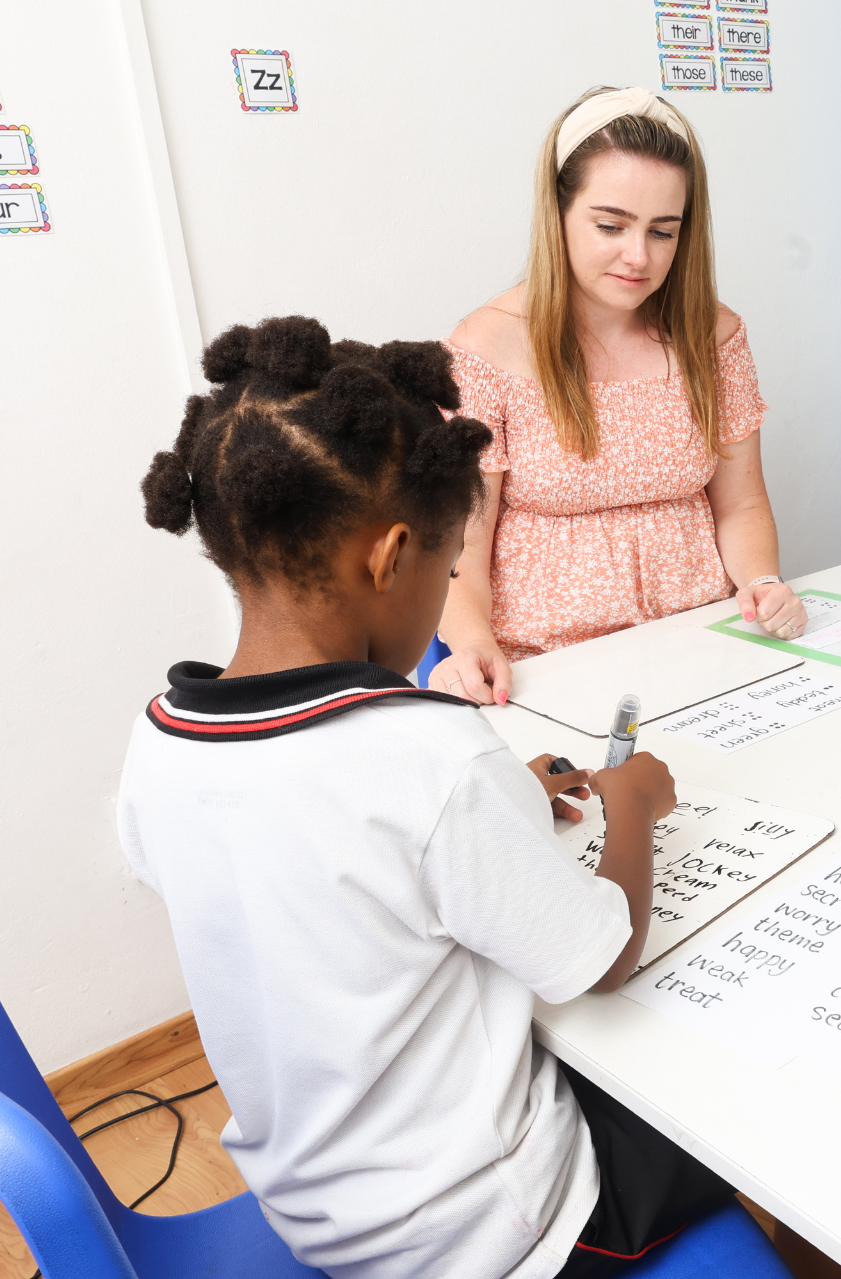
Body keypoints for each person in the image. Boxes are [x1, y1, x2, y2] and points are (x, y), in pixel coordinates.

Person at [123, 316, 737, 1279]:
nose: (449, 589)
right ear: (390, 555)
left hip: (314, 1203)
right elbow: (604, 956)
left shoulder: (162, 733)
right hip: (486, 1232)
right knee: (722, 1115)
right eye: (450, 569)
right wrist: (630, 806)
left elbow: (324, 862)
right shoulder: (426, 753)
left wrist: (507, 803)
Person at [431, 86, 804, 707]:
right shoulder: (484, 349)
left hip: (700, 647)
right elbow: (459, 543)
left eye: (664, 232)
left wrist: (762, 581)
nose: (639, 257)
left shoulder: (715, 337)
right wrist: (470, 643)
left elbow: (741, 504)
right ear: (557, 212)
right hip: (547, 665)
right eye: (610, 226)